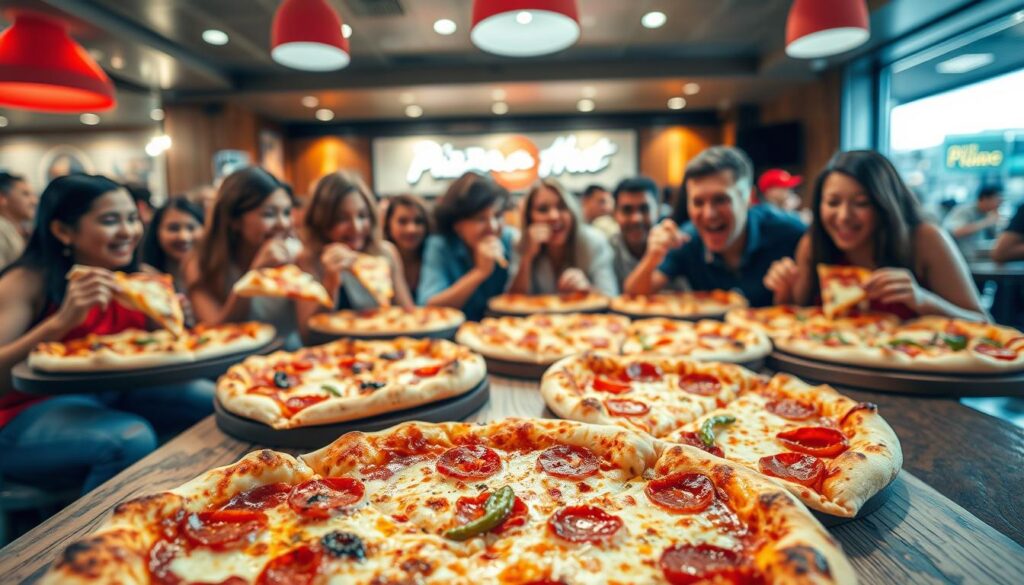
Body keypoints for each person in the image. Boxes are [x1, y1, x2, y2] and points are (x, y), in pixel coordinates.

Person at [0, 175, 212, 495]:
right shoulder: (27, 281)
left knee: (214, 399)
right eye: (110, 221)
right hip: (22, 413)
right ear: (62, 230)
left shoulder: (144, 280)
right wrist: (59, 323)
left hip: (112, 393)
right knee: (129, 438)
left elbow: (169, 349)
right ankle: (93, 537)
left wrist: (172, 323)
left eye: (131, 219)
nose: (128, 232)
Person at [763, 150, 986, 322]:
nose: (843, 216)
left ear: (885, 204)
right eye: (833, 203)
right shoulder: (813, 244)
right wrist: (783, 291)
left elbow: (984, 323)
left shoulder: (925, 239)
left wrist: (922, 300)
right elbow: (795, 320)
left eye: (861, 203)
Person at [624, 146, 805, 306]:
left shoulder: (791, 233)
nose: (709, 214)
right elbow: (633, 296)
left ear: (748, 198)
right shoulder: (688, 238)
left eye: (721, 200)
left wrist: (790, 295)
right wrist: (652, 257)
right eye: (698, 202)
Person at [183, 167, 305, 349]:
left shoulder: (298, 256)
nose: (283, 224)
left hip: (296, 361)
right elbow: (216, 334)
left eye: (287, 213)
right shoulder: (200, 263)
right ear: (234, 220)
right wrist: (254, 275)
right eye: (269, 214)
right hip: (231, 364)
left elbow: (313, 325)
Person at [295, 171, 414, 337]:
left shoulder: (385, 253)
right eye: (342, 219)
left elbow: (412, 319)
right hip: (333, 357)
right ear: (321, 221)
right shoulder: (308, 259)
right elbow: (308, 336)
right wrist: (330, 282)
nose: (356, 227)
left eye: (362, 215)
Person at [418, 172, 514, 320]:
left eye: (498, 215)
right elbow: (429, 307)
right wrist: (480, 272)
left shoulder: (508, 239)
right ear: (457, 224)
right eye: (480, 219)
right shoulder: (440, 246)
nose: (492, 226)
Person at [509, 179, 618, 297]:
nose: (554, 216)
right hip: (538, 315)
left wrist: (586, 290)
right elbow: (512, 301)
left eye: (561, 207)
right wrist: (527, 258)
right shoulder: (521, 243)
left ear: (572, 211)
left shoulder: (594, 241)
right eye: (543, 209)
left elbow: (610, 297)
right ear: (530, 217)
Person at [140, 196, 205, 291]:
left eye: (191, 228)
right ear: (156, 232)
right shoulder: (144, 280)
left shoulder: (216, 275)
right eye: (173, 228)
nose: (184, 237)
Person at [384, 194, 432, 295]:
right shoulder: (379, 261)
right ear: (388, 225)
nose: (411, 229)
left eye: (418, 221)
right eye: (402, 221)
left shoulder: (434, 257)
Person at [943, 185, 1003, 260]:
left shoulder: (987, 214)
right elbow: (957, 232)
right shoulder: (964, 210)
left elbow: (997, 238)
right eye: (997, 200)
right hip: (960, 257)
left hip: (977, 255)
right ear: (985, 199)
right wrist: (987, 222)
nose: (999, 204)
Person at [0, 172, 37, 269]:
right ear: (2, 199)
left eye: (33, 195)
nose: (34, 201)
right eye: (26, 194)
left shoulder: (25, 231)